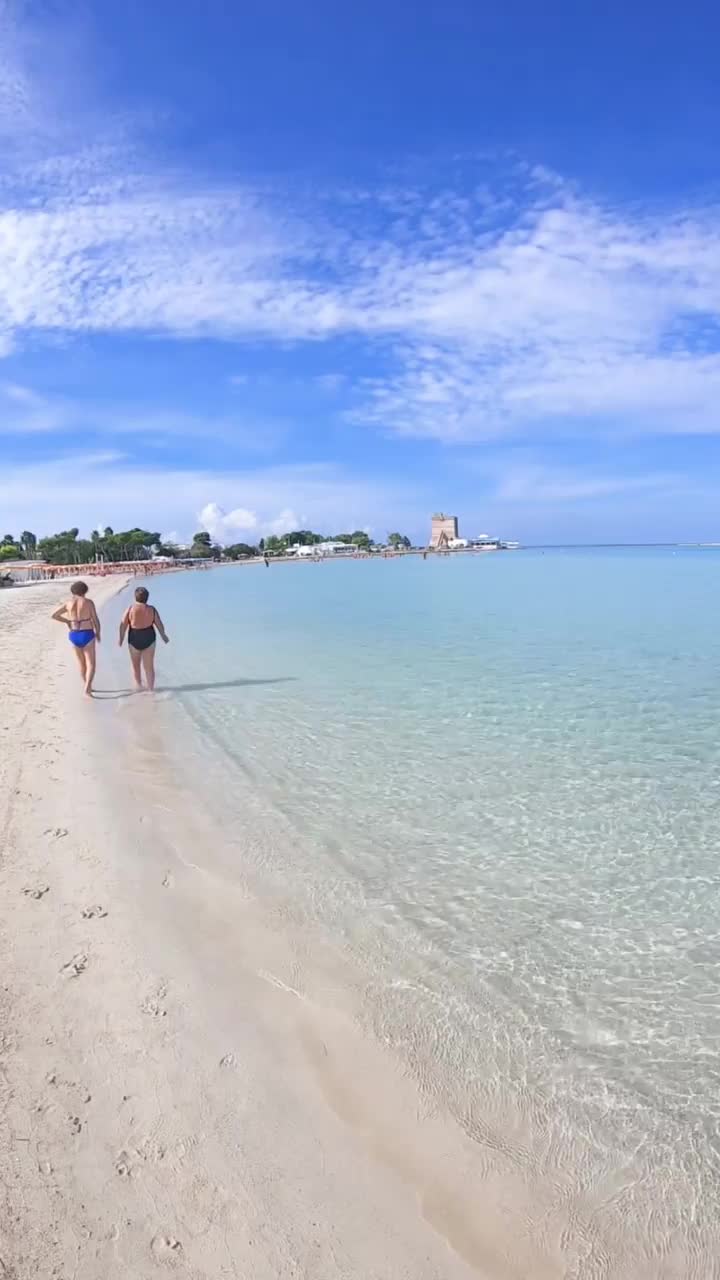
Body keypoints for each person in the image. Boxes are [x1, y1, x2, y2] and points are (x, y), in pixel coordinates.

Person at [51, 580, 101, 697]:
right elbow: (95, 619)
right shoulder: (88, 602)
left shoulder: (68, 603)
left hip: (74, 635)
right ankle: (88, 687)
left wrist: (67, 621)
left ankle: (86, 686)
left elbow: (54, 615)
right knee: (91, 664)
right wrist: (98, 632)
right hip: (87, 634)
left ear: (73, 591)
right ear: (85, 590)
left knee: (81, 664)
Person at [118, 586, 169, 691]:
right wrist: (163, 635)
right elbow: (159, 624)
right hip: (149, 638)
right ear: (147, 598)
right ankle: (151, 690)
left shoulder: (130, 609)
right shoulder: (152, 609)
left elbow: (123, 625)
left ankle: (139, 687)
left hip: (134, 639)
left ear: (135, 597)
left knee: (135, 666)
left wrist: (121, 638)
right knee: (149, 667)